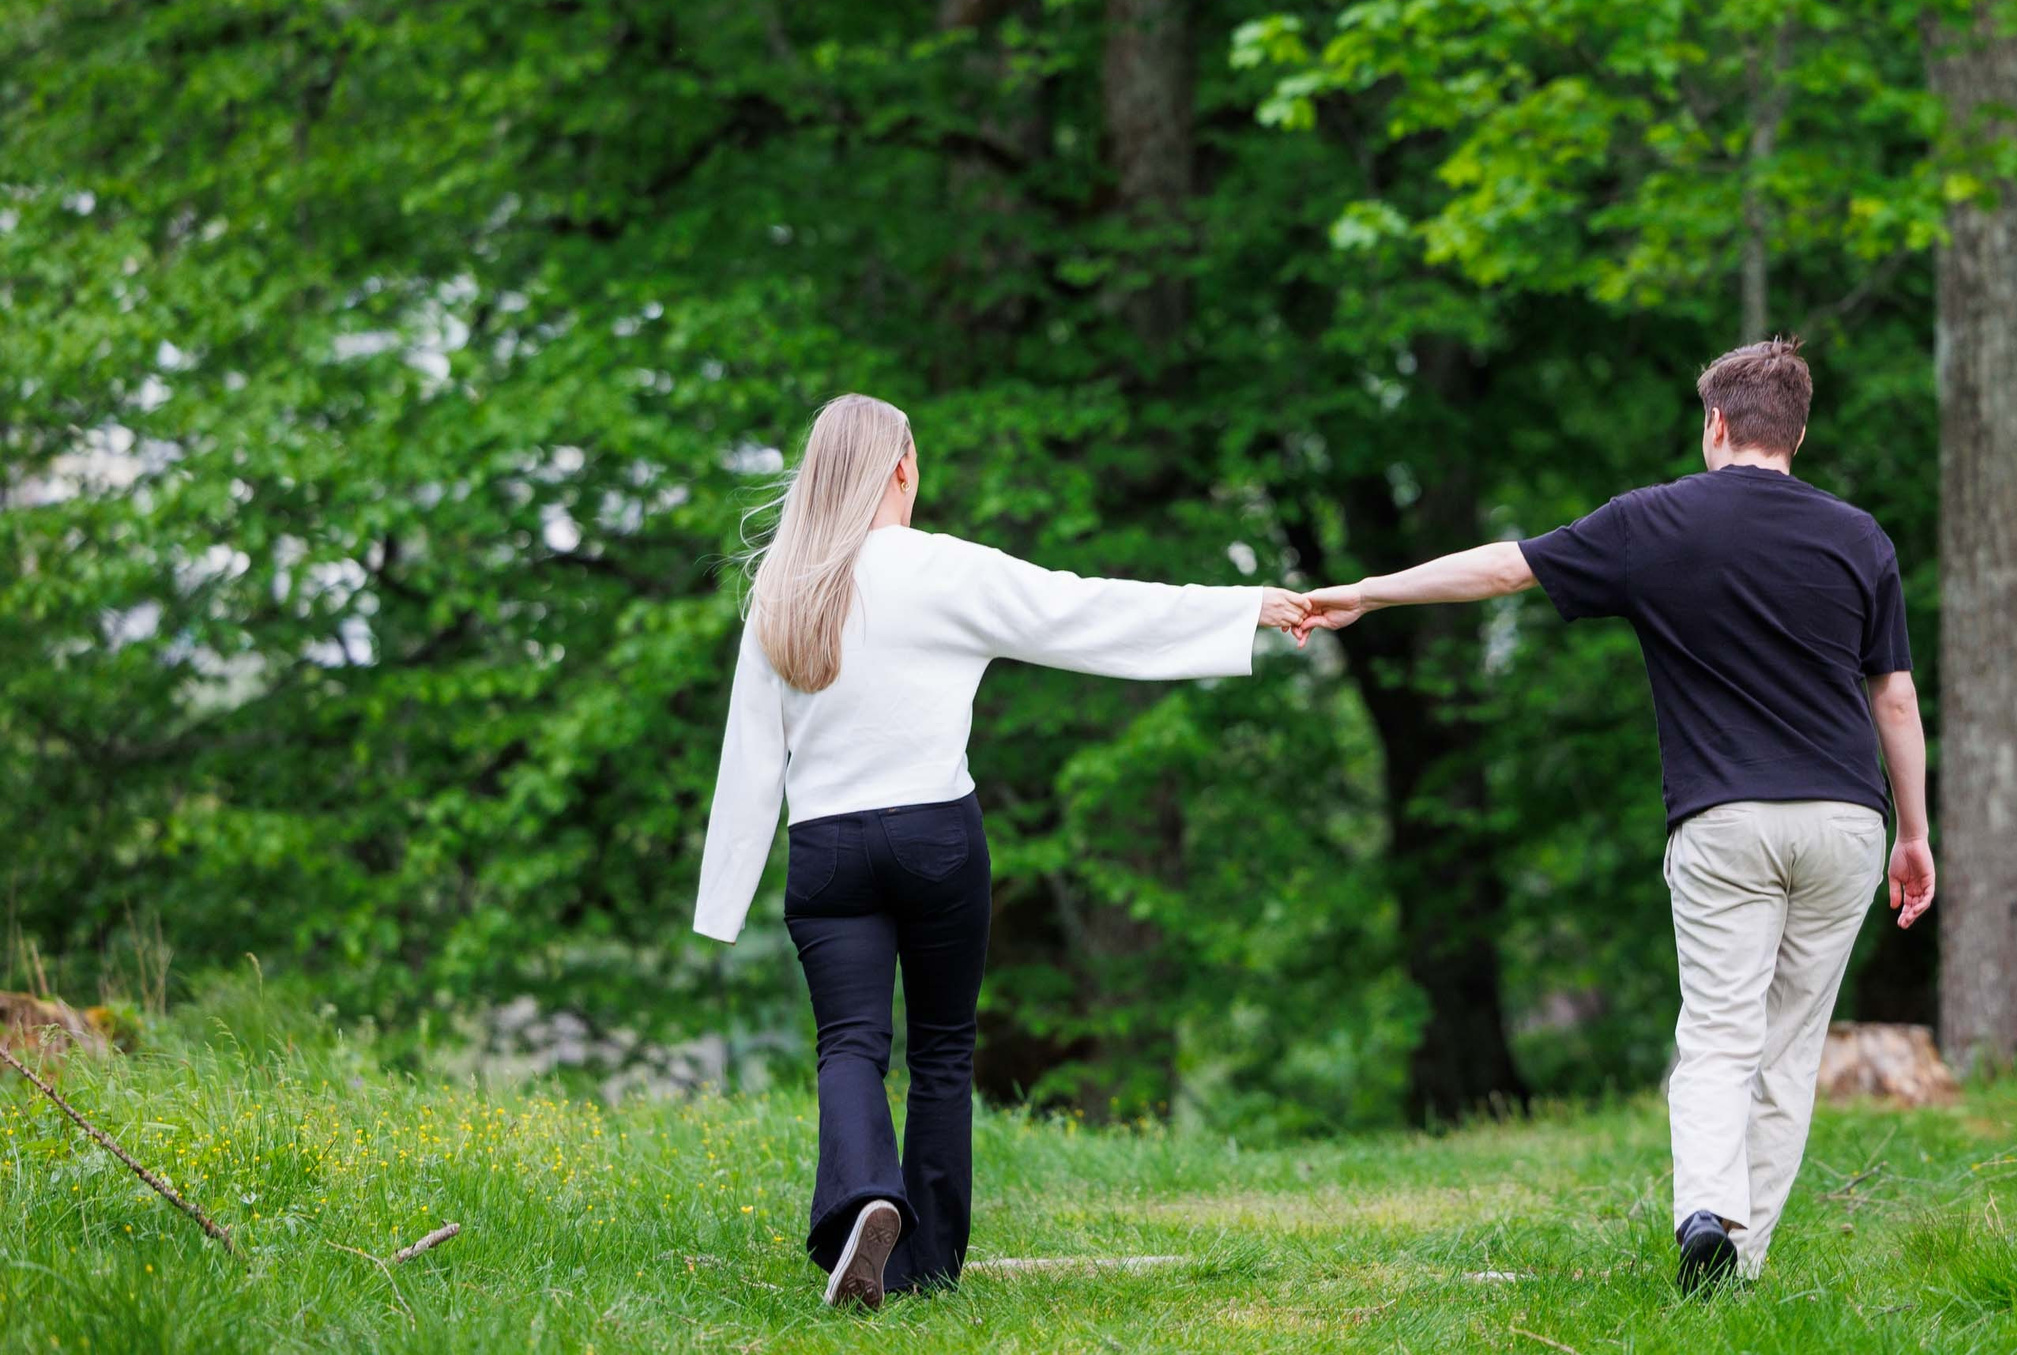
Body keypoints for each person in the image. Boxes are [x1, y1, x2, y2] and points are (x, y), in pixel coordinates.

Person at [1293, 336, 1934, 1298]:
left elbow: (1503, 568)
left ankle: (1705, 1216)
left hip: (1725, 821)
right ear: (1796, 432)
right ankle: (1739, 1266)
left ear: (1715, 423)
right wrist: (1917, 835)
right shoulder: (1860, 538)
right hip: (1848, 819)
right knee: (1789, 1049)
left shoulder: (1655, 521)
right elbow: (1894, 699)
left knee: (1718, 1035)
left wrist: (1367, 591)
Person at [693, 393, 1308, 1309]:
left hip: (827, 850)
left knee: (851, 1044)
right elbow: (1086, 612)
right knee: (942, 1047)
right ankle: (927, 1266)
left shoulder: (783, 586)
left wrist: (722, 904)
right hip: (937, 838)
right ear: (901, 467)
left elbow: (749, 754)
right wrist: (1244, 607)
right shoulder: (944, 569)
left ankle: (865, 1199)